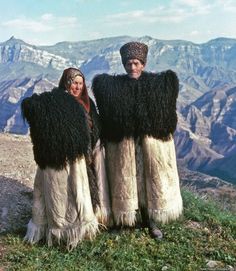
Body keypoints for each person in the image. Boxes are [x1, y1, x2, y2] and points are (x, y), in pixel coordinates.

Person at [92, 42, 183, 239]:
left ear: (143, 64)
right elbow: (109, 115)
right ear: (124, 65)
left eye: (136, 63)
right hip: (124, 145)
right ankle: (123, 219)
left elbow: (164, 114)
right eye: (128, 64)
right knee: (123, 180)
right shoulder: (114, 88)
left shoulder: (155, 86)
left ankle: (150, 220)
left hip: (146, 145)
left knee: (147, 180)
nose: (132, 68)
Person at [22, 67, 111, 250]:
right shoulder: (57, 104)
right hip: (71, 156)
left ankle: (93, 220)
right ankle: (68, 229)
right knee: (70, 193)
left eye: (80, 83)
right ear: (66, 84)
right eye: (73, 83)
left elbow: (97, 126)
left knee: (91, 189)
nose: (77, 87)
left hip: (90, 151)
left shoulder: (88, 104)